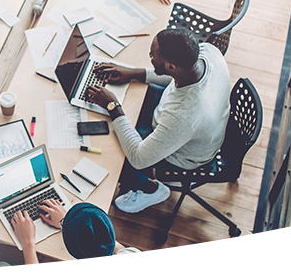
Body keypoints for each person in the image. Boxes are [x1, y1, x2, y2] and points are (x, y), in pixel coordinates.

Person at [83, 28, 230, 214]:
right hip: (181, 119)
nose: (150, 56)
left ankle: (150, 189)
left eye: (153, 55)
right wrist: (134, 73)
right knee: (130, 106)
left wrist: (112, 106)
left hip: (184, 154)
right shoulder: (208, 52)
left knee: (113, 151)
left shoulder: (184, 116)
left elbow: (139, 158)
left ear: (171, 67)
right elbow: (175, 78)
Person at [0, 201, 154, 277]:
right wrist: (66, 222)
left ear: (70, 248)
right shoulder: (135, 258)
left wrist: (28, 242)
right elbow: (104, 239)